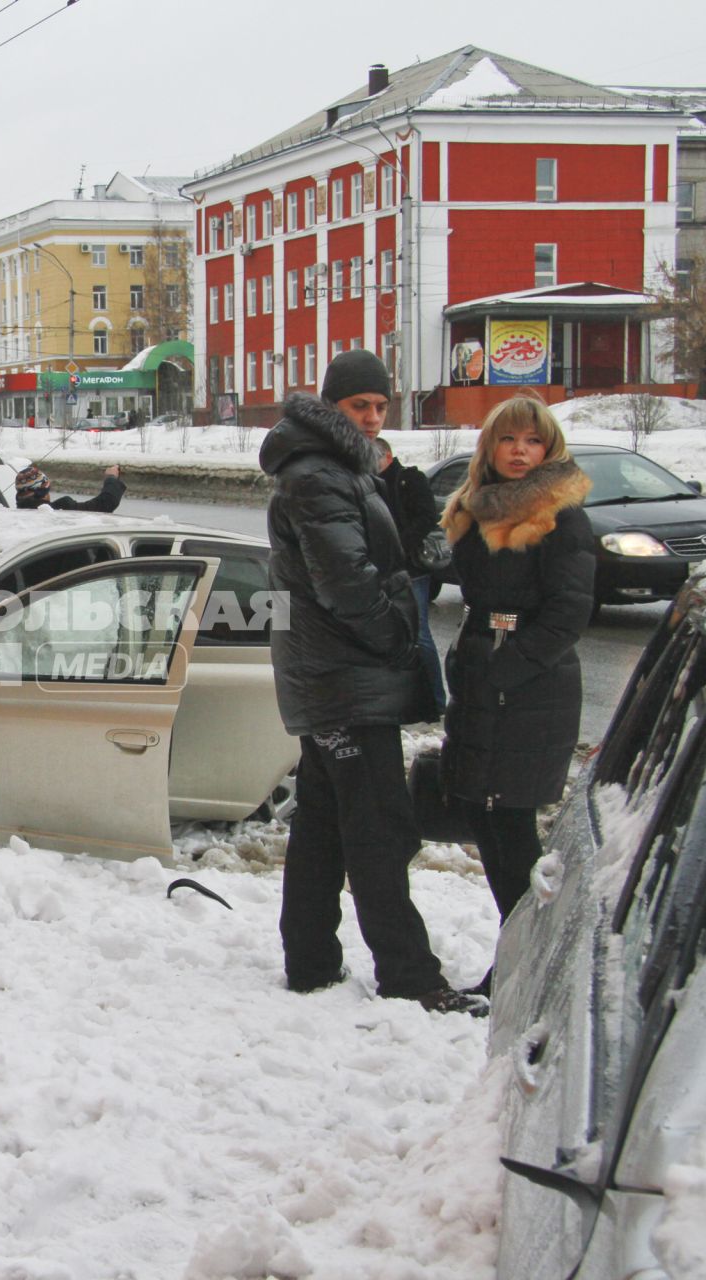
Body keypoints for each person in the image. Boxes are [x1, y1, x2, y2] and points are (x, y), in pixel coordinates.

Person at [258, 349, 484, 1016]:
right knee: (380, 830)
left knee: (325, 827)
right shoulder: (317, 477)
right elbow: (347, 585)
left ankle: (311, 963)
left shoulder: (337, 471)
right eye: (361, 406)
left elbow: (383, 558)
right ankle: (410, 976)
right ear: (332, 408)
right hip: (346, 679)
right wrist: (397, 637)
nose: (374, 417)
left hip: (333, 679)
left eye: (382, 407)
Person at [438, 396, 595, 989]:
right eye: (509, 441)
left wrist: (505, 673)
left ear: (549, 449)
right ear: (491, 447)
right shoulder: (475, 510)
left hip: (530, 690)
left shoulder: (558, 515)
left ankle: (530, 965)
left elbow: (568, 613)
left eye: (533, 441)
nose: (521, 451)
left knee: (510, 828)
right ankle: (522, 958)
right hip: (486, 681)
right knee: (487, 822)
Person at [375, 435, 445, 714]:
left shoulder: (409, 479)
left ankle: (436, 701)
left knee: (419, 635)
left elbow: (427, 517)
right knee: (390, 636)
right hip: (381, 570)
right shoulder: (367, 485)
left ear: (387, 457)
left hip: (411, 569)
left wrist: (400, 545)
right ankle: (402, 699)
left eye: (372, 459)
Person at [10, 459, 125, 512]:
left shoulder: (17, 519)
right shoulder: (61, 511)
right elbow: (105, 504)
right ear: (43, 492)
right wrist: (111, 477)